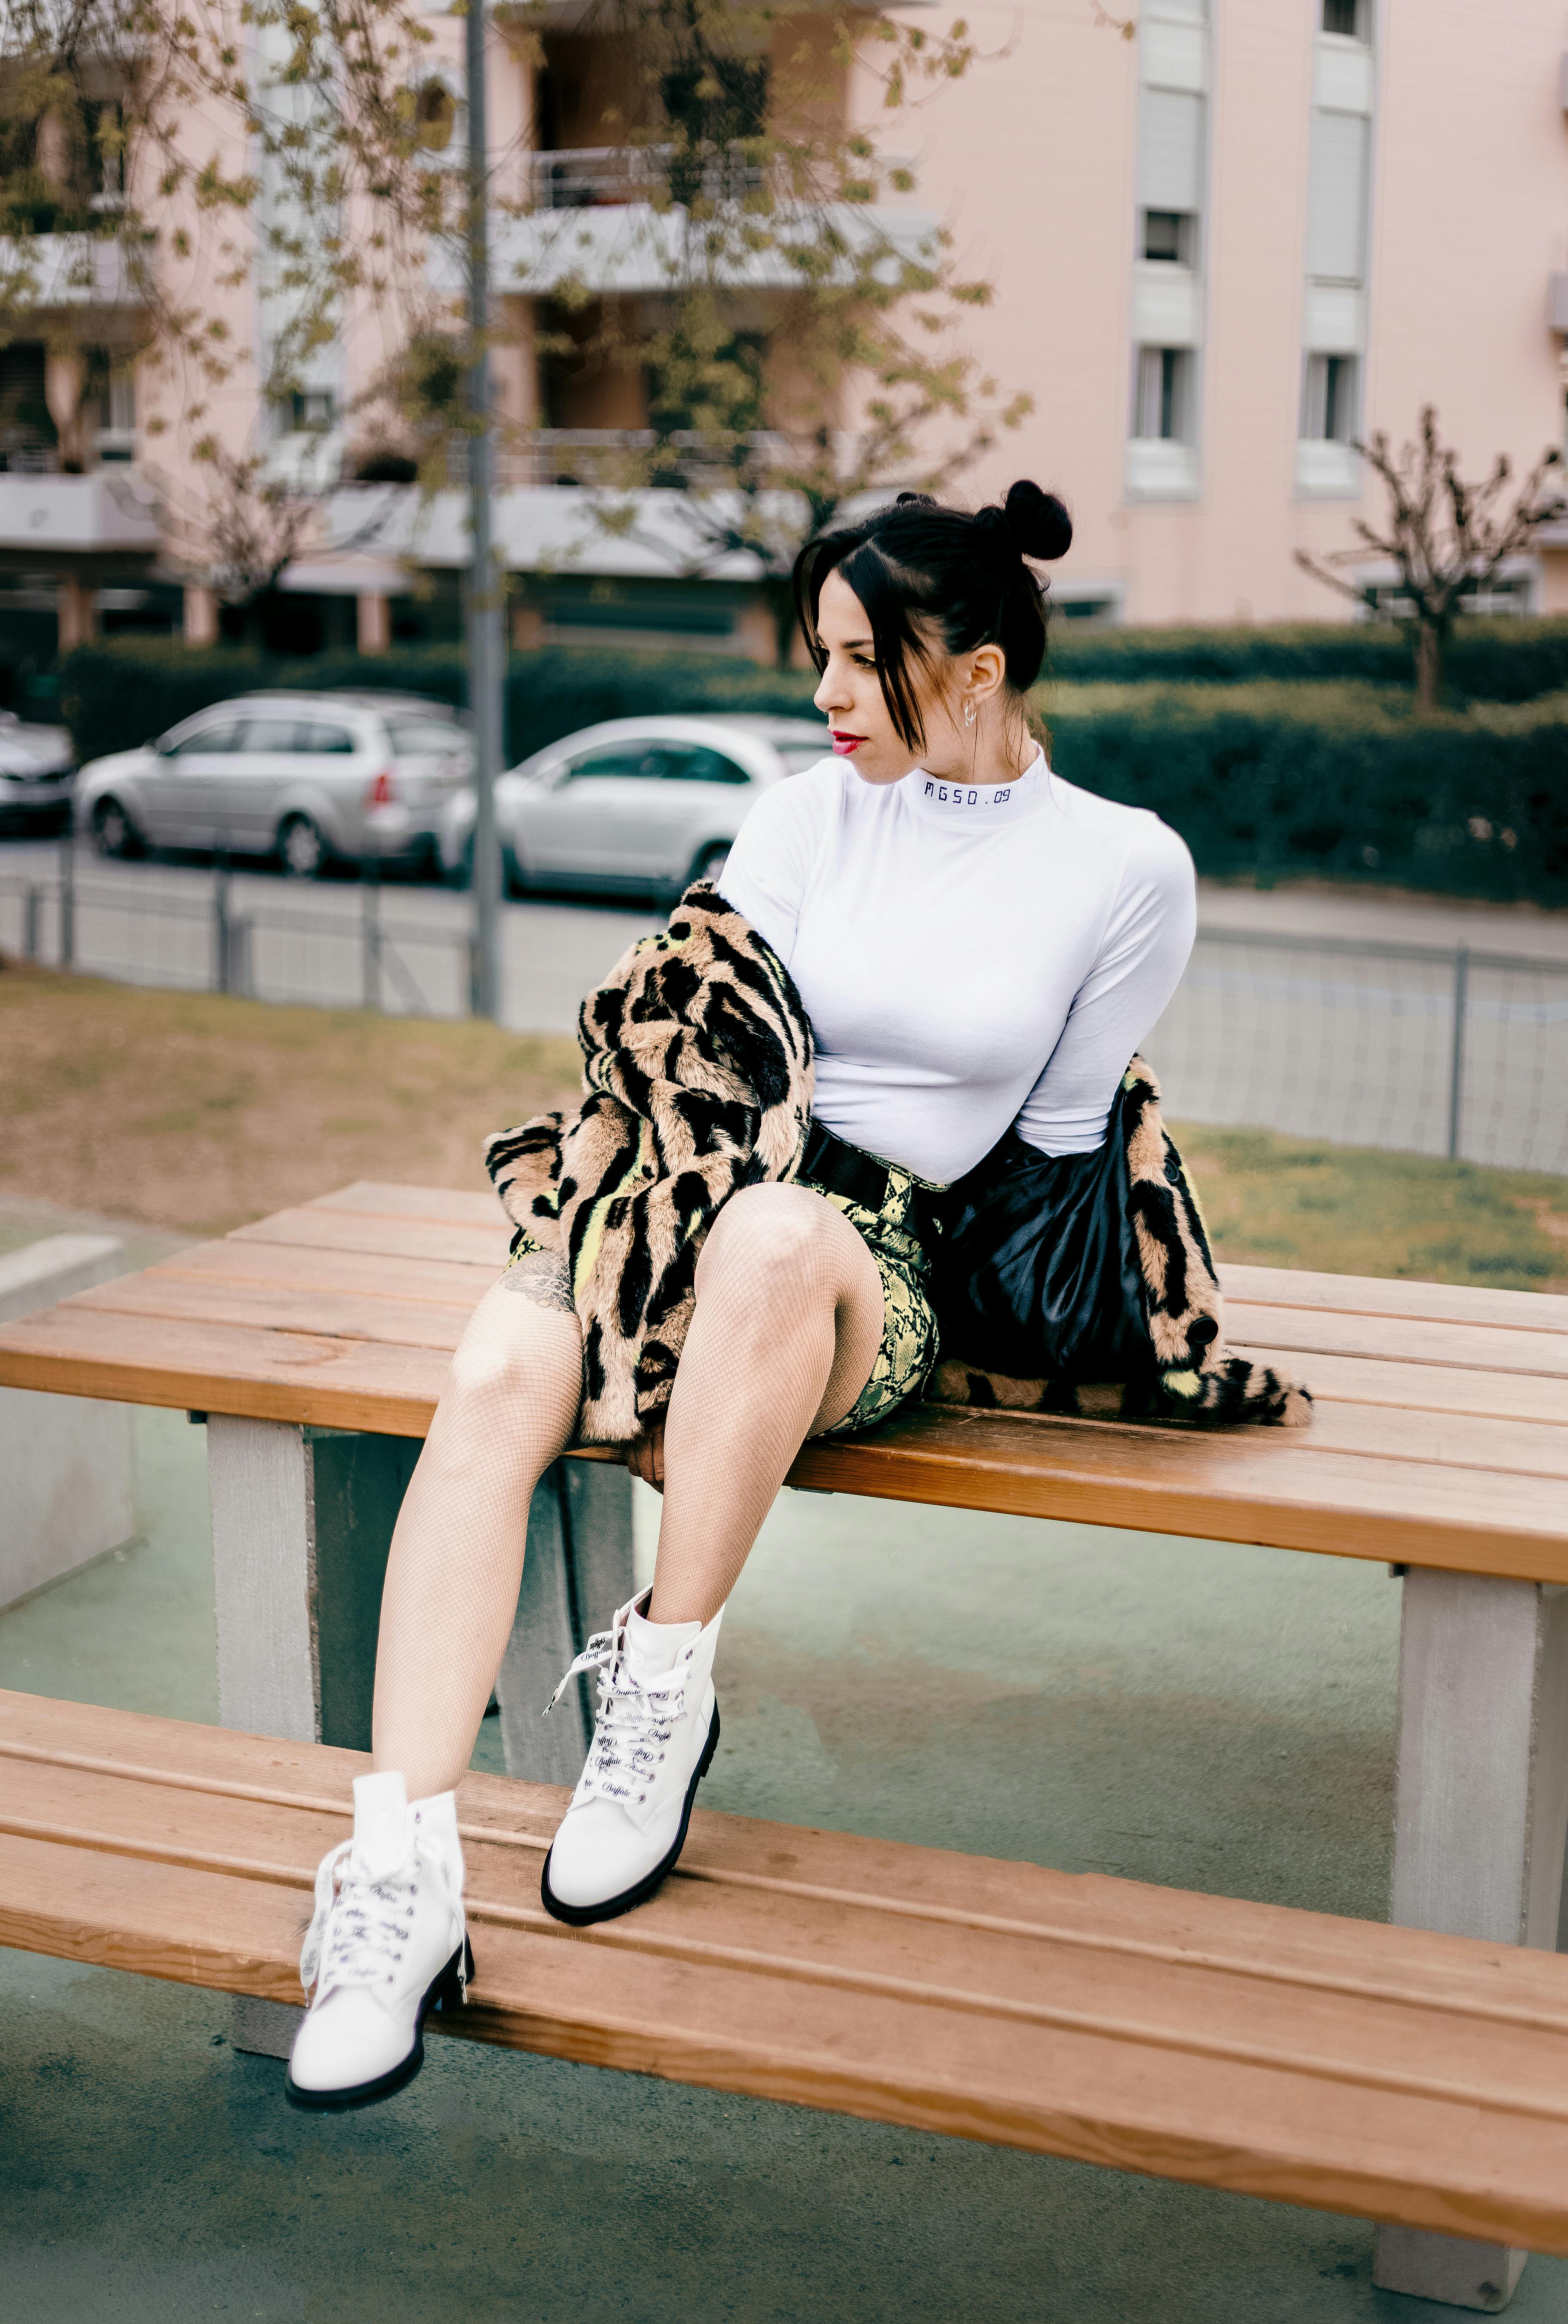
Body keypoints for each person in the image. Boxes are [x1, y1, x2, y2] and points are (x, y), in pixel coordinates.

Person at [284, 479, 1197, 2109]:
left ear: (977, 668)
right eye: (819, 656)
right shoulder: (795, 815)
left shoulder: (1125, 868)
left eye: (863, 661)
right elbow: (702, 1040)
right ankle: (397, 1886)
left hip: (863, 1252)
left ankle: (662, 1684)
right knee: (499, 1373)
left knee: (778, 1239)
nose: (826, 697)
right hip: (670, 1194)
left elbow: (1053, 1147)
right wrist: (632, 1222)